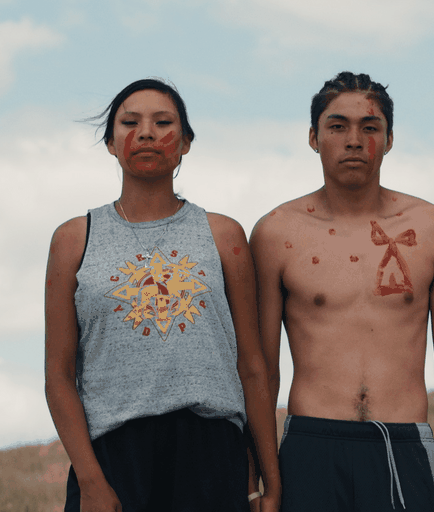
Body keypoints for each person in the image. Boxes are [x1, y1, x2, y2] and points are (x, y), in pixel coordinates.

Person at [44, 78, 280, 512]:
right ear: (111, 144)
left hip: (211, 454)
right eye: (130, 122)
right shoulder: (73, 240)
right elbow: (59, 376)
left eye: (163, 122)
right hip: (113, 456)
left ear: (185, 142)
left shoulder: (223, 236)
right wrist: (92, 482)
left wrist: (270, 480)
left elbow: (251, 365)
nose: (147, 132)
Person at [250, 71, 434, 512]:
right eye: (337, 127)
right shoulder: (277, 232)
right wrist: (258, 481)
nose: (354, 140)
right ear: (314, 138)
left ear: (389, 140)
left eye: (369, 128)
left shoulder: (433, 228)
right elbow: (260, 371)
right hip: (310, 443)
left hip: (403, 441)